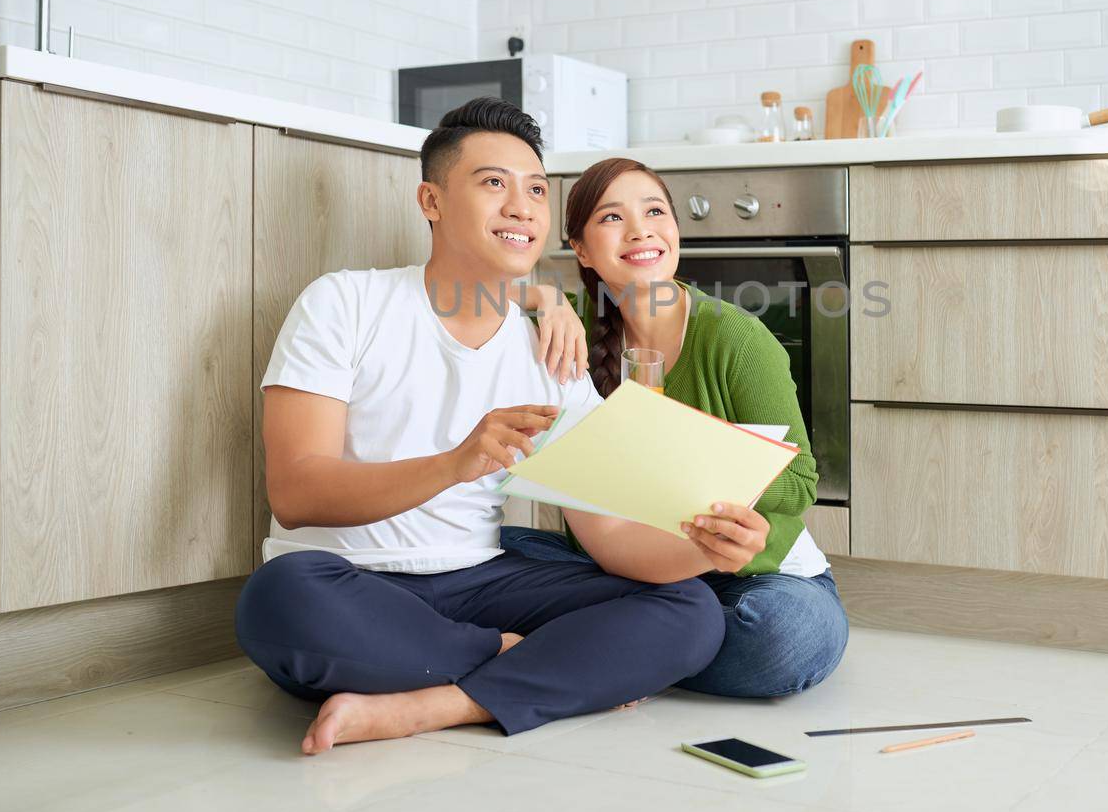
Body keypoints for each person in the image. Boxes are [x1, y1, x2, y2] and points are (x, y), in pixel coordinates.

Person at [234, 100, 734, 755]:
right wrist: (455, 463)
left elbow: (603, 531)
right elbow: (296, 495)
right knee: (278, 600)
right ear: (432, 201)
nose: (523, 207)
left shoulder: (548, 351)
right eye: (494, 183)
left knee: (690, 612)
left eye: (535, 190)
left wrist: (707, 546)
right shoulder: (345, 303)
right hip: (351, 579)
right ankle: (521, 665)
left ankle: (437, 704)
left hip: (480, 579)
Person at [504, 156, 849, 698]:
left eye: (655, 211)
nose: (640, 229)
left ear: (675, 231)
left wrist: (708, 461)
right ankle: (637, 644)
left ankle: (600, 645)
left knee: (786, 640)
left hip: (744, 580)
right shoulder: (569, 325)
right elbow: (467, 295)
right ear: (582, 249)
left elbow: (801, 478)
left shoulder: (734, 337)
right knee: (490, 552)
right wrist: (544, 296)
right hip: (617, 566)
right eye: (613, 218)